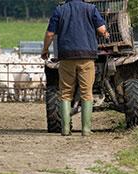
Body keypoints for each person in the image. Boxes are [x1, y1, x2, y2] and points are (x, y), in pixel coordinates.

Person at [41, 0, 109, 136]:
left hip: (66, 57)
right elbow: (101, 29)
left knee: (65, 92)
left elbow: (49, 34)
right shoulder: (91, 8)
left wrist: (45, 49)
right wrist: (106, 34)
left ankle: (65, 130)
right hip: (87, 57)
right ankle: (86, 130)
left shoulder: (60, 10)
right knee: (86, 92)